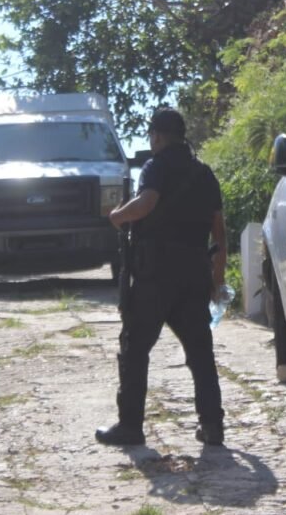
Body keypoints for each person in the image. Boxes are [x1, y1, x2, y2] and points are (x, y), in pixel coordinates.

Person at [96, 107, 227, 446]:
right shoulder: (204, 173)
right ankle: (212, 425)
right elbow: (219, 231)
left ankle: (130, 426)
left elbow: (147, 203)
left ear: (156, 136)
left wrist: (118, 216)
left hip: (156, 275)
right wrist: (217, 278)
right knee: (200, 352)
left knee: (135, 348)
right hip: (194, 273)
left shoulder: (156, 167)